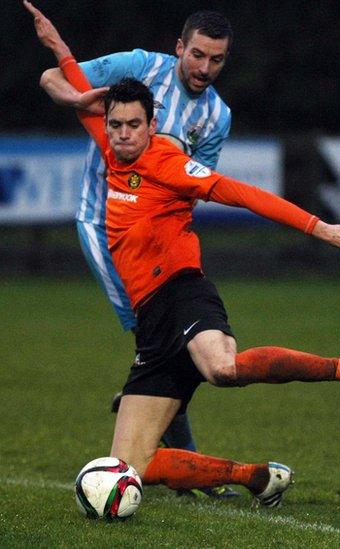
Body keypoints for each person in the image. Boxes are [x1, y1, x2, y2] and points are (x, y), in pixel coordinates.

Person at [26, 2, 340, 509]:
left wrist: (321, 228)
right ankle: (257, 478)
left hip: (181, 291)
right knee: (130, 467)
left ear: (152, 124)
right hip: (152, 317)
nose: (122, 134)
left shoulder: (167, 161)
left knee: (221, 369)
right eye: (114, 124)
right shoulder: (110, 142)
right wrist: (56, 43)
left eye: (132, 126)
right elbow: (71, 83)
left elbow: (241, 194)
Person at [34, 2, 236, 497]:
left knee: (165, 347)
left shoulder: (217, 116)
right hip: (105, 227)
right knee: (161, 344)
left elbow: (192, 190)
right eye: (197, 55)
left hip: (157, 242)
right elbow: (53, 78)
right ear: (178, 49)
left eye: (216, 60)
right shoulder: (141, 66)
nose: (204, 68)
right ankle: (187, 467)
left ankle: (153, 420)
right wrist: (79, 99)